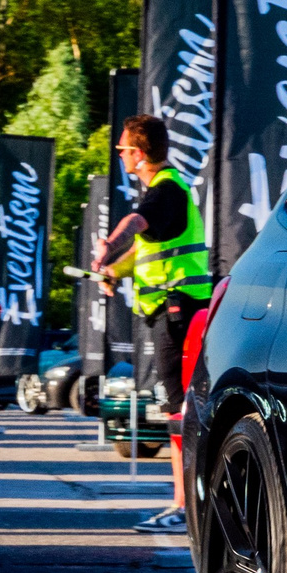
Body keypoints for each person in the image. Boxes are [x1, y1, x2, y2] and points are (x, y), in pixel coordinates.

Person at [97, 116, 211, 533]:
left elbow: (134, 225)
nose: (122, 155)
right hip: (172, 310)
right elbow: (146, 253)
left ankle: (185, 509)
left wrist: (108, 245)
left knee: (178, 409)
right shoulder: (166, 192)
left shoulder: (165, 191)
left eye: (124, 149)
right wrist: (114, 270)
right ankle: (184, 505)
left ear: (139, 153)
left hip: (176, 311)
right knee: (177, 408)